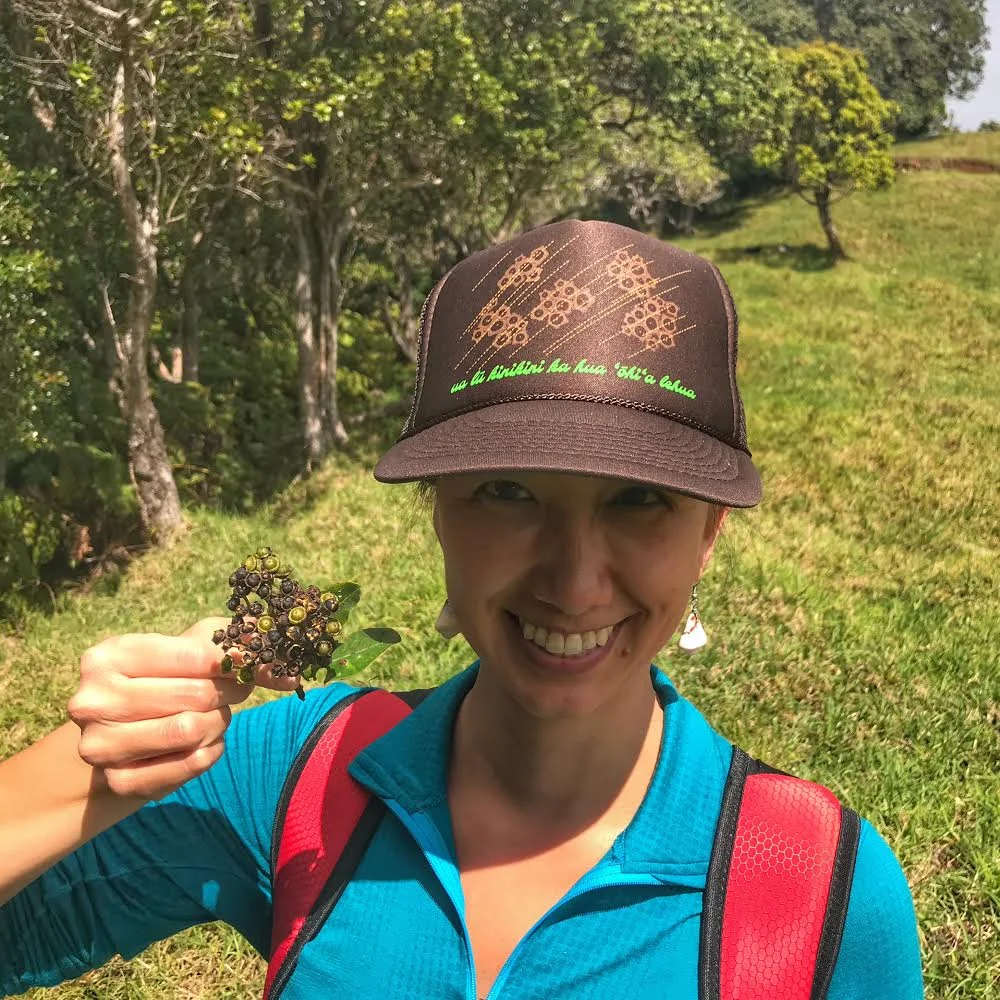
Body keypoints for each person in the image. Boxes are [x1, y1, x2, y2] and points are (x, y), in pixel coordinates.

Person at [0, 221, 923, 999]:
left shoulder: (816, 889)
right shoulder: (302, 773)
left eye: (640, 500)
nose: (574, 582)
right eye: (508, 491)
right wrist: (94, 773)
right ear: (436, 508)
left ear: (711, 531)